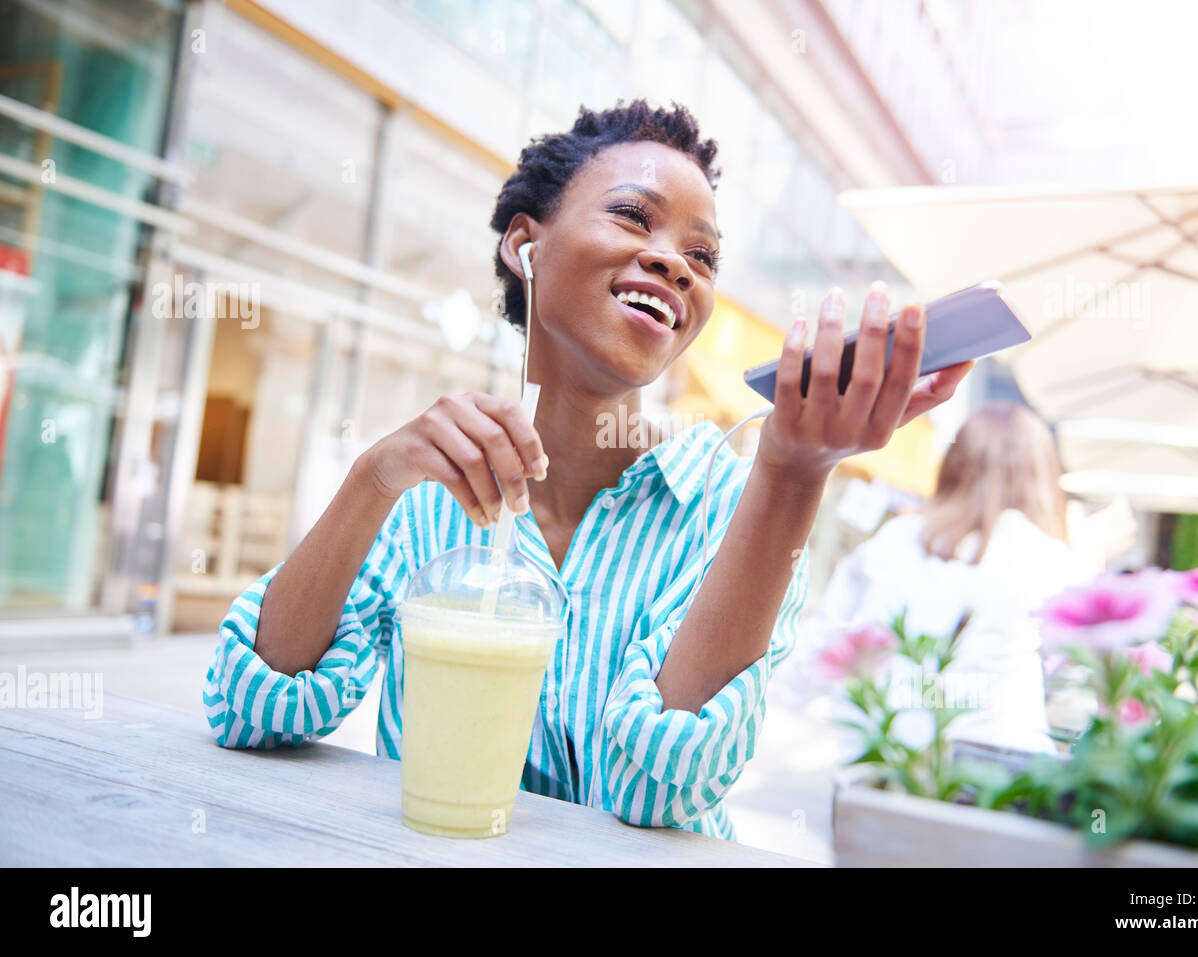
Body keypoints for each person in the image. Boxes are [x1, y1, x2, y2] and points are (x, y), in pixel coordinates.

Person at [201, 100, 972, 839]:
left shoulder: (731, 509)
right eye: (634, 216)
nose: (675, 263)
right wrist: (372, 479)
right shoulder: (425, 493)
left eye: (702, 256)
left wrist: (794, 472)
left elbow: (662, 787)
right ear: (524, 244)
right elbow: (252, 710)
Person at [803, 400, 1092, 755]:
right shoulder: (1048, 558)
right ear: (1043, 477)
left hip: (885, 763)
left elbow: (820, 648)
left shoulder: (895, 539)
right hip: (1000, 774)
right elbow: (1083, 680)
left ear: (954, 466)